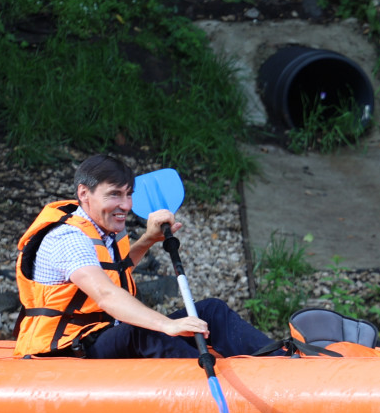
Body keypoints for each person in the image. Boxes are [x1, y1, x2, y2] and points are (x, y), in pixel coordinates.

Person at [14, 154, 277, 359]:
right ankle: (210, 389)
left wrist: (148, 240)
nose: (126, 205)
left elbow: (117, 269)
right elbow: (106, 295)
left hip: (101, 334)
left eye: (128, 194)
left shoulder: (101, 227)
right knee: (145, 331)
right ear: (84, 193)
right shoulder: (67, 238)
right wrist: (166, 325)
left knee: (211, 310)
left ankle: (282, 362)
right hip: (69, 346)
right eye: (115, 194)